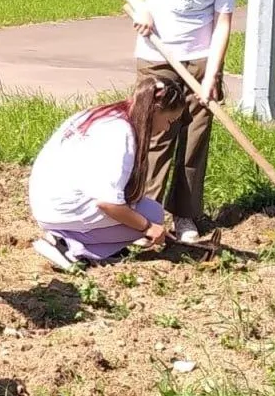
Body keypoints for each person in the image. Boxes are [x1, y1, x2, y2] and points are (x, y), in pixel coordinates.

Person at [113, 0, 242, 244]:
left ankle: (185, 214)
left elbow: (222, 23)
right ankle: (146, 214)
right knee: (155, 135)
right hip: (156, 54)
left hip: (200, 58)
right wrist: (141, 8)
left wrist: (211, 77)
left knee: (195, 138)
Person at [29, 78, 186, 270]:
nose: (166, 128)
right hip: (62, 209)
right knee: (152, 214)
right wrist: (148, 227)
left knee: (143, 209)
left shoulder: (107, 114)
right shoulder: (121, 134)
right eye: (168, 120)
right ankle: (69, 246)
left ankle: (86, 241)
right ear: (155, 109)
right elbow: (108, 202)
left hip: (47, 197)